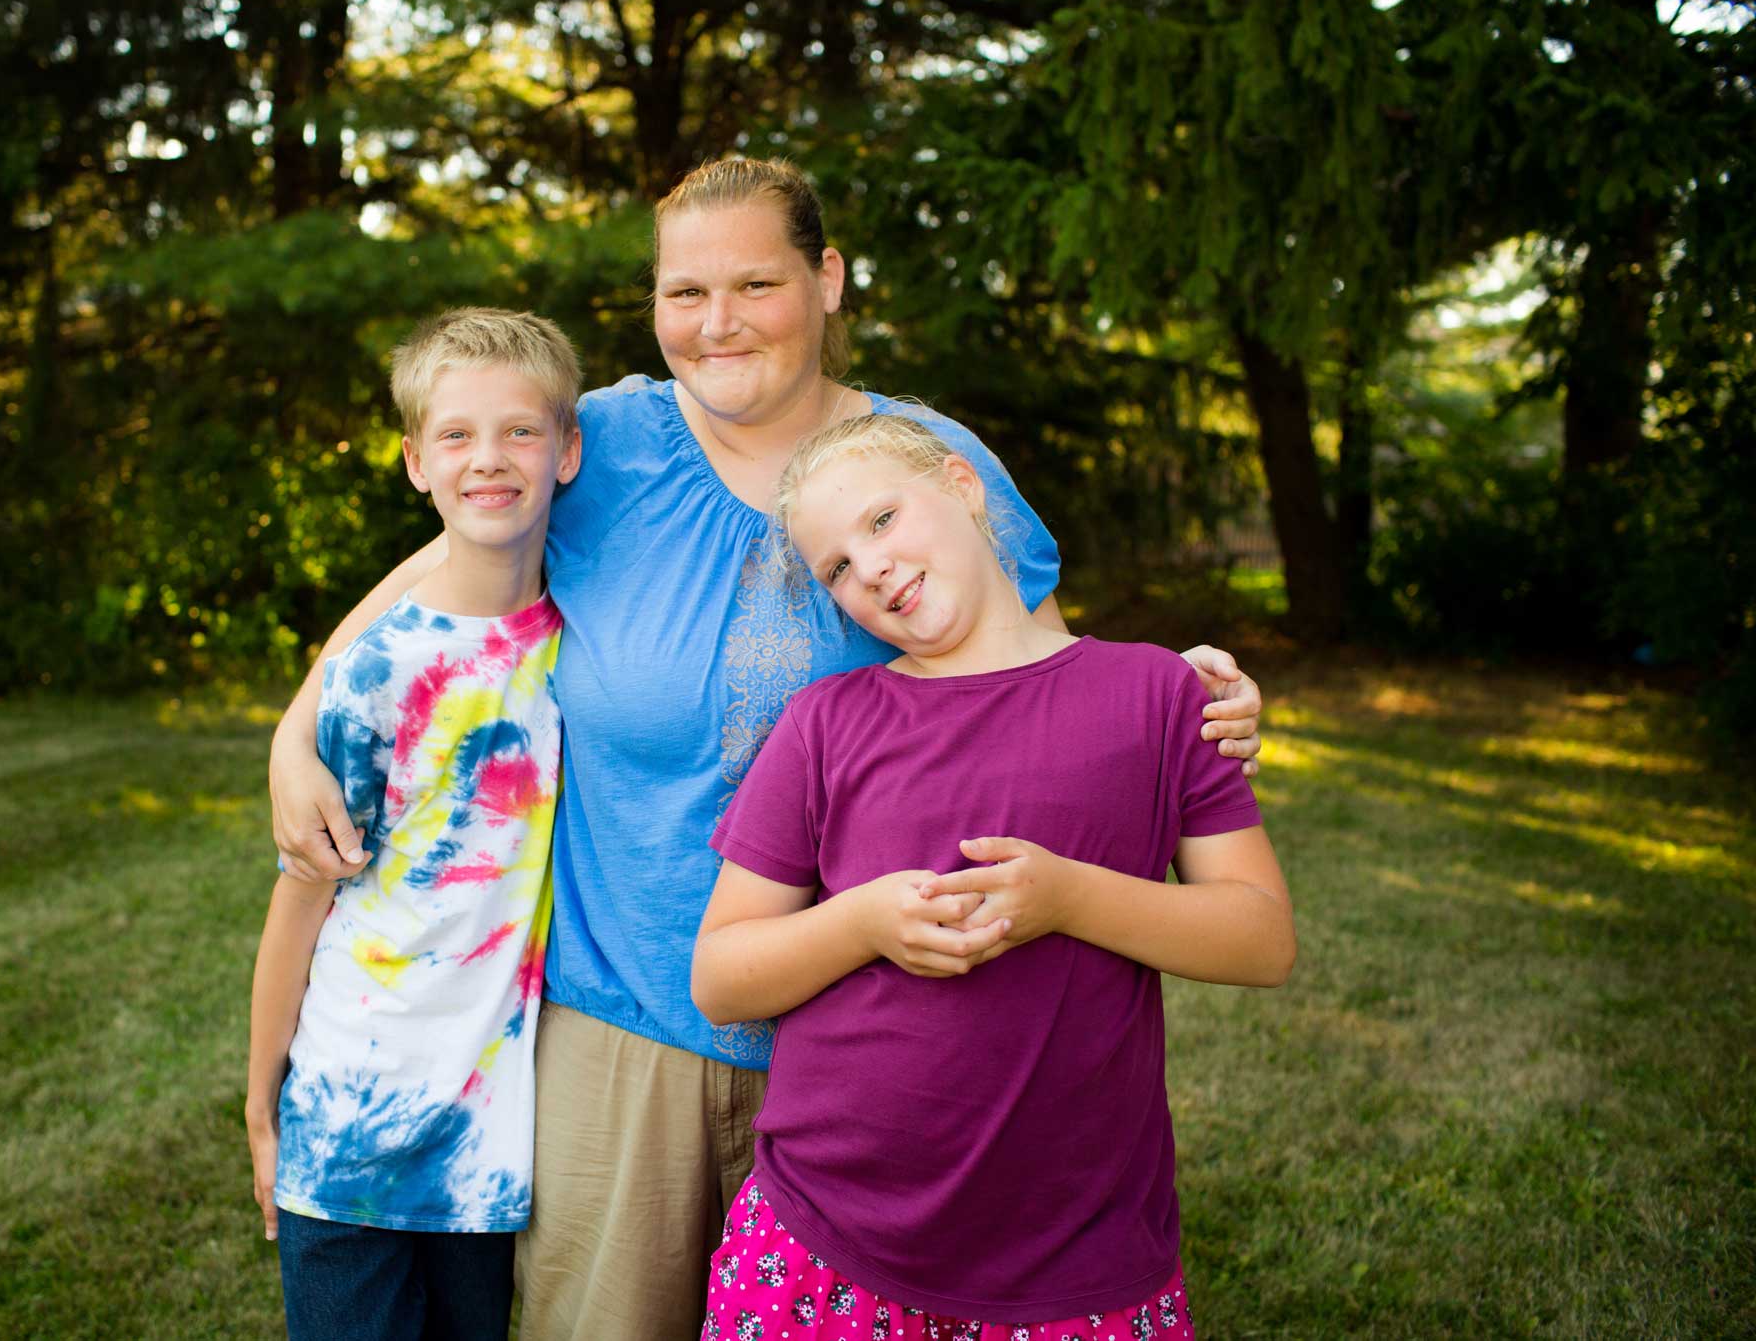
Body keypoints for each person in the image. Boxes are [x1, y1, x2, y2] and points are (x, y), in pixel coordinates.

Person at [268, 157, 1267, 1340]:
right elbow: (443, 572)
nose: (716, 322)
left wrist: (1185, 697)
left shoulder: (916, 456)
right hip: (627, 1014)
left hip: (882, 1031)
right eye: (682, 293)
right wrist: (299, 725)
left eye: (754, 282)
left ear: (828, 279)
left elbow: (1025, 665)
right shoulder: (601, 445)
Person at [690, 413, 1295, 1341]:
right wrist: (860, 923)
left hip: (1078, 1255)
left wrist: (1069, 898)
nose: (872, 568)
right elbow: (721, 977)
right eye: (838, 568)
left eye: (883, 520)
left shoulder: (1159, 695)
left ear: (964, 486)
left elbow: (1262, 939)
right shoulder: (825, 724)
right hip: (824, 1240)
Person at [244, 307, 582, 1341]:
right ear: (413, 463)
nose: (490, 458)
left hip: (486, 1140)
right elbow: (301, 900)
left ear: (567, 452)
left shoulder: (580, 643)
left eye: (520, 431)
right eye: (456, 436)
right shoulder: (378, 673)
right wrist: (261, 1109)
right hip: (350, 1124)